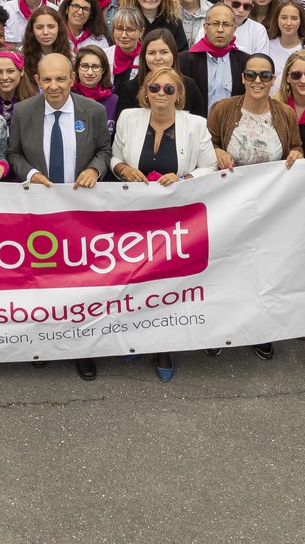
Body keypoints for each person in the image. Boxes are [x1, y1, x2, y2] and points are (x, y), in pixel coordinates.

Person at [4, 52, 113, 379]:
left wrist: (95, 169)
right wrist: (31, 173)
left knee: (82, 286)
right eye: (47, 79)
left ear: (72, 79)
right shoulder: (24, 112)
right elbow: (13, 154)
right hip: (39, 214)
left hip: (80, 214)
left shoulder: (92, 111)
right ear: (37, 81)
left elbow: (105, 151)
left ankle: (83, 349)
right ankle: (44, 343)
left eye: (60, 79)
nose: (54, 86)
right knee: (44, 283)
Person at [110, 65, 218, 381]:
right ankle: (134, 340)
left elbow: (210, 166)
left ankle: (164, 345)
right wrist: (125, 171)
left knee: (167, 285)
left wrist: (185, 178)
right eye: (155, 88)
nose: (161, 94)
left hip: (175, 221)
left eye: (169, 89)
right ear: (146, 92)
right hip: (135, 218)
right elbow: (114, 157)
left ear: (179, 95)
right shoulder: (130, 119)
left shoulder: (195, 124)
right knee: (135, 280)